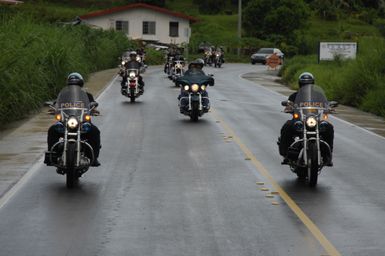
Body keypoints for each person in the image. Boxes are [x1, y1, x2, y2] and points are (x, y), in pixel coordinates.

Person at [278, 72, 334, 166]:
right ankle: (286, 154)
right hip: (299, 120)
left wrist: (329, 108)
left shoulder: (318, 95)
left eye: (308, 84)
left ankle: (327, 156)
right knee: (287, 126)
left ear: (312, 84)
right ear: (300, 84)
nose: (306, 86)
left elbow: (326, 104)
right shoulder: (294, 96)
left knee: (328, 127)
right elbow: (289, 104)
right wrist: (288, 107)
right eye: (304, 84)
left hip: (314, 120)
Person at [46, 72, 101, 166]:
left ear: (81, 84)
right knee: (52, 130)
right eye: (72, 84)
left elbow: (92, 104)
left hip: (83, 123)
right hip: (65, 123)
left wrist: (94, 109)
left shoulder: (87, 95)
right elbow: (56, 104)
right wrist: (53, 108)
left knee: (95, 131)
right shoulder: (64, 95)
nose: (75, 86)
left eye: (77, 84)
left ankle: (94, 157)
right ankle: (52, 156)